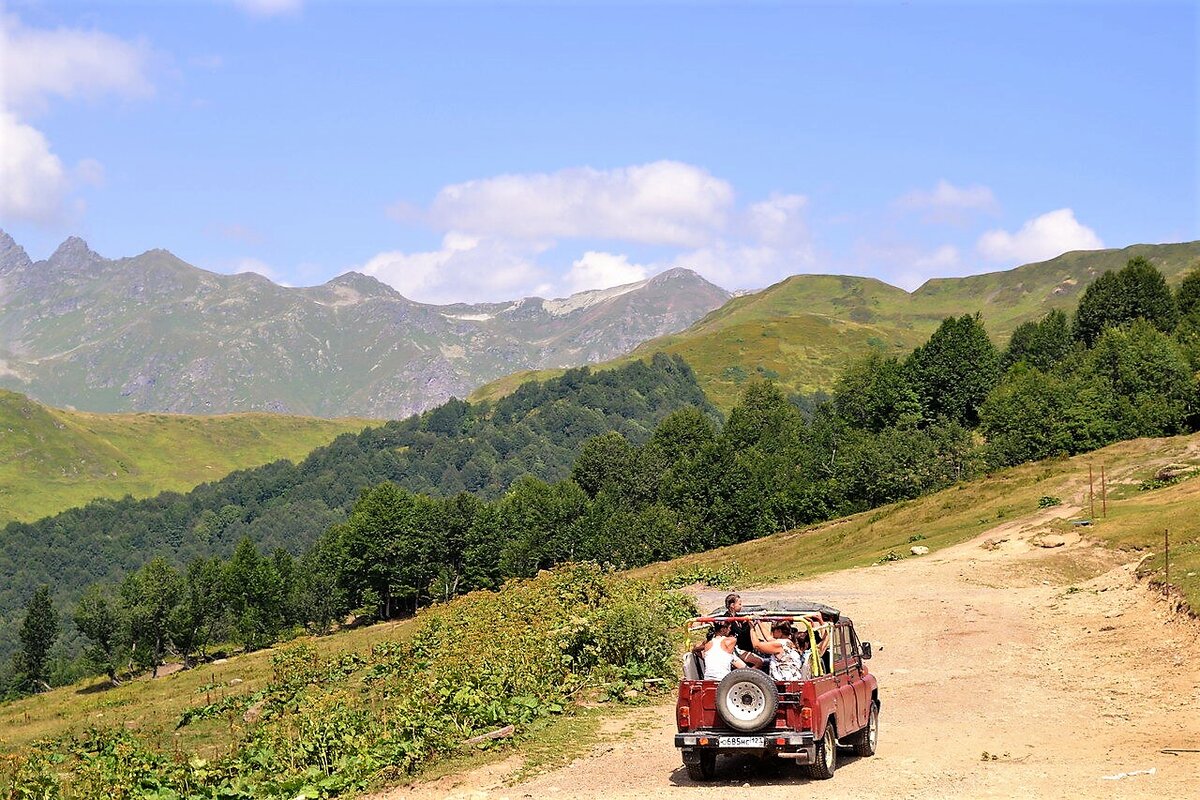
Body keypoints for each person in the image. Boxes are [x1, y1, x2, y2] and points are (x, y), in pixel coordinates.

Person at [721, 593, 768, 669]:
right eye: (739, 604)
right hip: (734, 650)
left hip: (741, 648)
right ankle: (748, 677)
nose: (741, 606)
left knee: (760, 660)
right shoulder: (727, 619)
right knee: (759, 662)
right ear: (732, 605)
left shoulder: (736, 617)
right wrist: (748, 624)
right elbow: (740, 633)